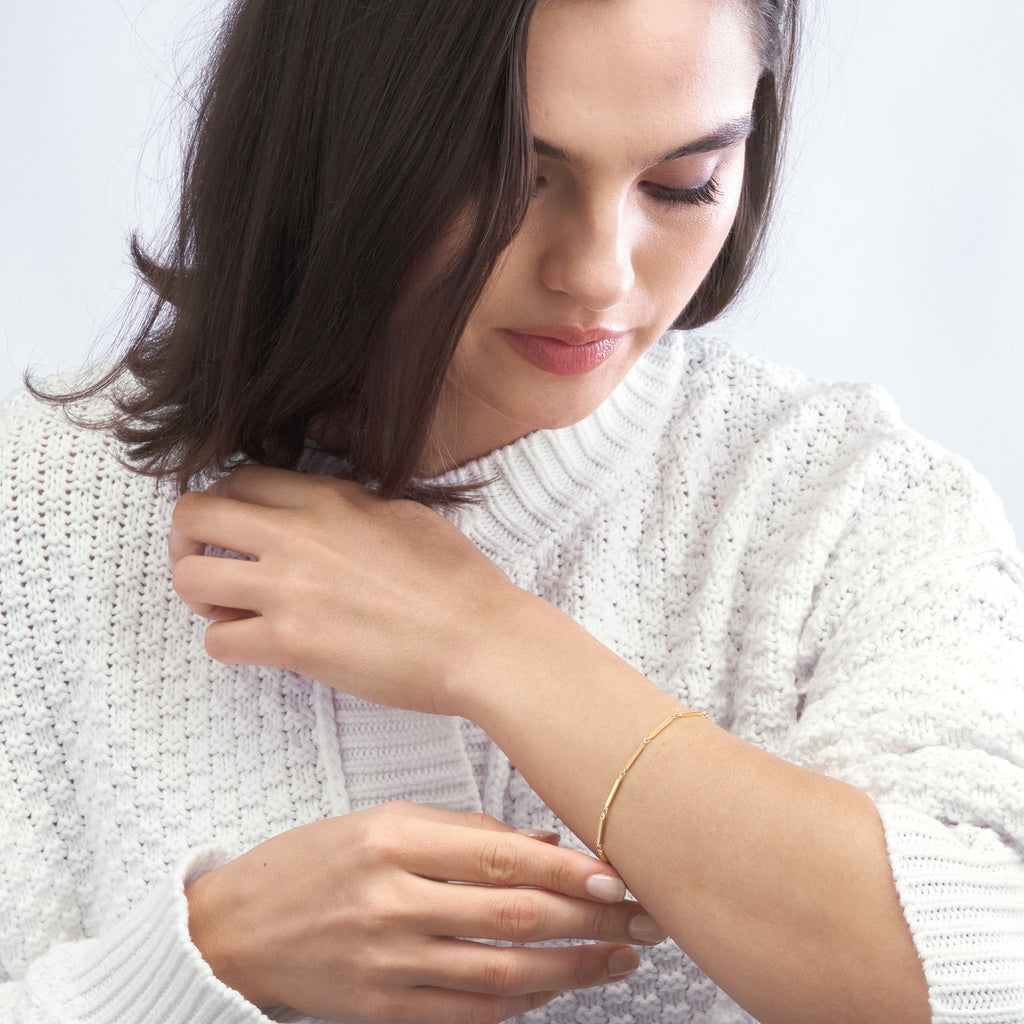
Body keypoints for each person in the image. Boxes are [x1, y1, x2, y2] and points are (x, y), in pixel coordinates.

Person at [1, 0, 1022, 1022]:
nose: (595, 273)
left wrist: (494, 644)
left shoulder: (845, 506)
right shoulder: (40, 504)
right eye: (509, 179)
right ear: (332, 132)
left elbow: (991, 969)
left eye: (683, 183)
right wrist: (205, 960)